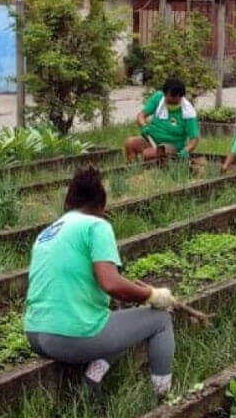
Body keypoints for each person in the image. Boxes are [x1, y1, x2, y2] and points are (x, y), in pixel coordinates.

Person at [24, 167, 176, 395]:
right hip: (69, 336)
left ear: (66, 204)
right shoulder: (96, 225)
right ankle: (164, 396)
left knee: (117, 323)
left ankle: (88, 387)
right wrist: (153, 295)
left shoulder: (47, 234)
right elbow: (111, 284)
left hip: (35, 333)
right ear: (101, 208)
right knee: (160, 320)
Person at [124, 78, 200, 162]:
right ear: (165, 94)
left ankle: (153, 165)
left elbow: (194, 138)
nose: (176, 100)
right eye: (172, 97)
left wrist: (186, 150)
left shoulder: (188, 112)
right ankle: (133, 167)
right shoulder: (158, 98)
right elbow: (141, 115)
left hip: (171, 147)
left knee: (148, 154)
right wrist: (144, 125)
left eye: (179, 98)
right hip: (151, 140)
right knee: (130, 143)